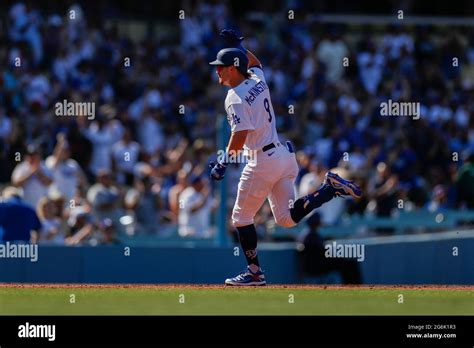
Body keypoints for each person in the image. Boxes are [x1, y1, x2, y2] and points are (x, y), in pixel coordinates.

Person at [208, 29, 361, 286]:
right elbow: (255, 63)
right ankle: (328, 190)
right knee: (287, 219)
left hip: (261, 161)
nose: (217, 71)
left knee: (241, 219)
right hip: (282, 155)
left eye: (221, 67)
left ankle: (255, 272)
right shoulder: (257, 80)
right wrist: (240, 47)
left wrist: (224, 161)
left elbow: (241, 134)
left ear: (233, 69)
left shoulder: (234, 97)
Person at [11, 144, 53, 209]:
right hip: (25, 204)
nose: (32, 158)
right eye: (30, 155)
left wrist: (39, 173)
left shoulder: (45, 167)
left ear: (39, 156)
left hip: (42, 207)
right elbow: (16, 183)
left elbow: (49, 183)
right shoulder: (21, 167)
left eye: (34, 155)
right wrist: (30, 173)